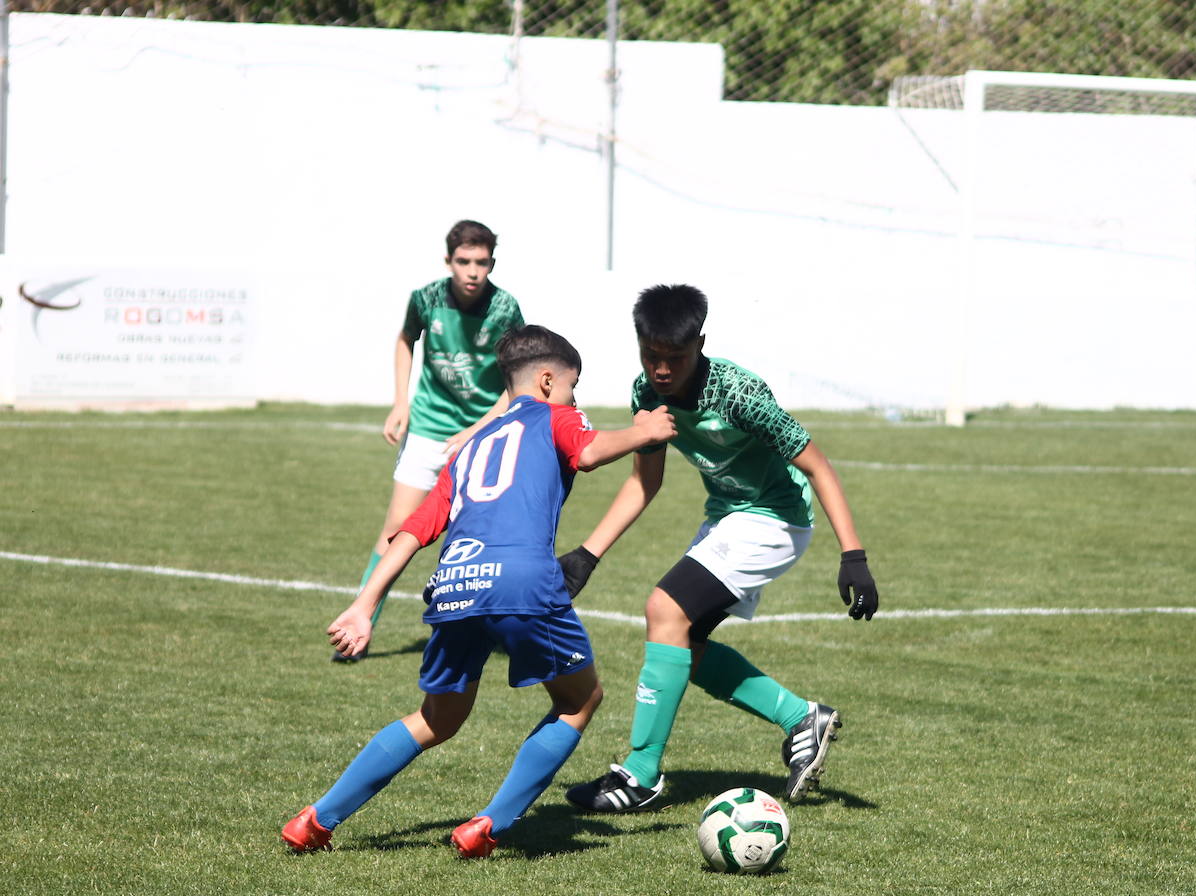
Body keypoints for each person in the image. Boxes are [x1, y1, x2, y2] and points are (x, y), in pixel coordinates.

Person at [283, 325, 677, 856]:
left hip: (453, 584)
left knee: (435, 718)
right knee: (579, 699)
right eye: (572, 386)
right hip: (521, 581)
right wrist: (644, 431)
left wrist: (363, 605)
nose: (574, 399)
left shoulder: (468, 449)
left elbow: (412, 531)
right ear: (546, 381)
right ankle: (487, 826)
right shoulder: (556, 415)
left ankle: (315, 819)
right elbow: (588, 453)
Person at [558, 284, 879, 813]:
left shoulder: (738, 394)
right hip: (727, 516)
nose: (662, 370)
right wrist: (587, 554)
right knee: (683, 643)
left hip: (776, 517)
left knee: (664, 609)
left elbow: (817, 466)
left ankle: (640, 774)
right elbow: (645, 483)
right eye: (651, 356)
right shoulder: (646, 392)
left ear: (700, 344)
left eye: (675, 358)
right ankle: (802, 718)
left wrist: (854, 556)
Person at [335, 219, 524, 662]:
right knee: (395, 530)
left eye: (482, 262)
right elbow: (406, 340)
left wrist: (478, 429)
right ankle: (357, 626)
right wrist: (401, 402)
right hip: (427, 429)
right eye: (464, 261)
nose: (473, 271)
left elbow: (519, 377)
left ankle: (500, 633)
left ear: (492, 263)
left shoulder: (505, 309)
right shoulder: (426, 299)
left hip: (483, 435)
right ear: (448, 261)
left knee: (487, 540)